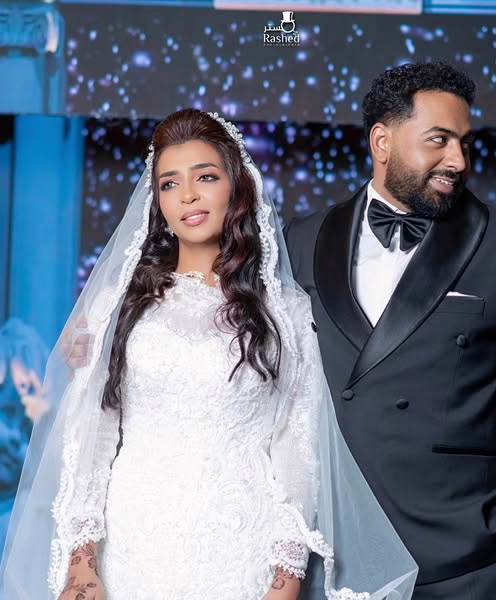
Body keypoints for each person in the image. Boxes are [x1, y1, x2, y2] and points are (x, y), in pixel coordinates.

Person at [0, 110, 417, 600]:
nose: (188, 196)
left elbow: (297, 453)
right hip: (131, 549)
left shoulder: (286, 313)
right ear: (157, 200)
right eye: (170, 183)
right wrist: (82, 565)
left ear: (236, 186)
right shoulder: (119, 306)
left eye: (205, 177)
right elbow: (89, 439)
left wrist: (284, 583)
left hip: (240, 554)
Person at [285, 62, 496, 599]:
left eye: (464, 142)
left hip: (466, 563)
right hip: (334, 553)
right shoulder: (303, 240)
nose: (458, 160)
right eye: (439, 140)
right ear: (382, 142)